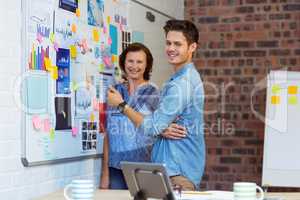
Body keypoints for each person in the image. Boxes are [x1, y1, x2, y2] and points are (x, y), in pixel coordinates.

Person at [107, 19, 205, 191]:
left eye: (178, 44)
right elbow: (156, 125)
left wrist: (122, 106)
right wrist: (161, 128)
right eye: (168, 43)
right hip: (167, 171)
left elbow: (151, 127)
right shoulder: (176, 80)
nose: (171, 48)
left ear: (192, 47)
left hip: (178, 174)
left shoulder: (182, 84)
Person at [100, 43, 186, 189]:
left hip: (143, 169)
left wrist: (163, 129)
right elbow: (109, 136)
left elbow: (163, 127)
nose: (134, 66)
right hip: (115, 169)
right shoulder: (115, 92)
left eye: (139, 62)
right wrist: (105, 173)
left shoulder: (154, 94)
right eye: (130, 61)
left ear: (147, 65)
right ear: (123, 63)